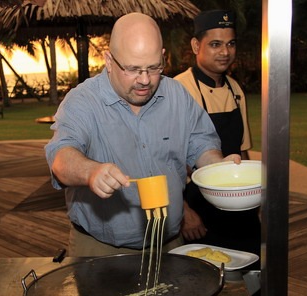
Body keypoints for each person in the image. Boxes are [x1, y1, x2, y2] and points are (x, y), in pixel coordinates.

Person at [45, 12, 240, 257]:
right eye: (133, 69)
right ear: (108, 60)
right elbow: (60, 157)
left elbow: (201, 144)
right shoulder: (83, 101)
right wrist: (90, 171)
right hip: (99, 248)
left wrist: (218, 166)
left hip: (170, 242)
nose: (145, 80)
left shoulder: (177, 95)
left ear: (163, 57)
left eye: (154, 67)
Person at [174, 9, 261, 264]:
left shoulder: (235, 89)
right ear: (195, 45)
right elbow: (164, 160)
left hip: (240, 205)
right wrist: (183, 212)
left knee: (252, 275)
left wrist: (257, 199)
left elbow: (242, 152)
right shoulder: (178, 90)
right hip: (198, 211)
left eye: (230, 44)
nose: (225, 52)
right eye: (215, 44)